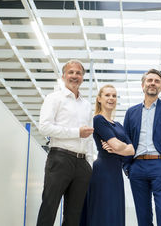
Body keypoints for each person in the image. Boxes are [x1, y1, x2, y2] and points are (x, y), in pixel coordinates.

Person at [37, 59, 94, 226]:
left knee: (74, 215)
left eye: (78, 73)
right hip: (60, 158)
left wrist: (89, 163)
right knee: (49, 207)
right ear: (63, 76)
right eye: (71, 72)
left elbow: (89, 137)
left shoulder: (86, 105)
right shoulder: (54, 98)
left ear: (83, 77)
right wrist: (76, 133)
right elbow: (44, 127)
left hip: (82, 164)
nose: (74, 76)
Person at [123, 69, 161, 226]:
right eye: (149, 80)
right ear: (143, 85)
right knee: (142, 212)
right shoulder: (131, 112)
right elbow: (125, 140)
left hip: (159, 165)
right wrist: (127, 166)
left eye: (157, 81)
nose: (153, 83)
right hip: (137, 166)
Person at [80, 85, 135, 226]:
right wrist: (122, 148)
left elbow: (132, 150)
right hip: (103, 171)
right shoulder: (98, 120)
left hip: (116, 172)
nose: (111, 98)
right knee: (103, 211)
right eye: (107, 95)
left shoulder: (118, 125)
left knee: (114, 211)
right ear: (99, 99)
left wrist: (118, 149)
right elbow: (120, 146)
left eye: (114, 96)